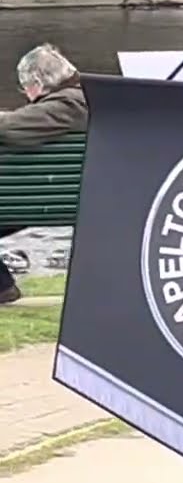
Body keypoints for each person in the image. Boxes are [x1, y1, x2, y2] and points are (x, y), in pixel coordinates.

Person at [0, 44, 89, 305]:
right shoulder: (86, 99)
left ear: (37, 82)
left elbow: (10, 129)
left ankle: (2, 286)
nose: (26, 95)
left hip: (39, 201)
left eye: (25, 87)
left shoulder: (68, 104)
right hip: (76, 197)